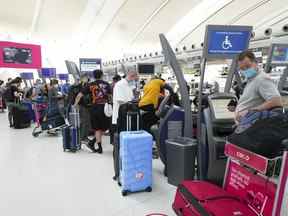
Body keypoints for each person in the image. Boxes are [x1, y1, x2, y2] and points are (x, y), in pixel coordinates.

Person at [235, 51, 282, 123]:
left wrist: (250, 112)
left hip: (254, 126)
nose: (245, 70)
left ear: (256, 62)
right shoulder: (250, 79)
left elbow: (276, 101)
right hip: (245, 124)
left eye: (248, 66)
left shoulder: (262, 79)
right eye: (242, 68)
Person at [74, 70, 112, 153]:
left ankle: (99, 147)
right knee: (106, 127)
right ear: (102, 75)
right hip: (105, 108)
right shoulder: (106, 84)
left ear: (94, 76)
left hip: (94, 108)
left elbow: (79, 95)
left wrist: (75, 104)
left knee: (97, 128)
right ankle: (93, 142)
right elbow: (110, 96)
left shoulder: (90, 85)